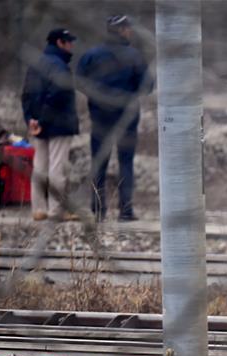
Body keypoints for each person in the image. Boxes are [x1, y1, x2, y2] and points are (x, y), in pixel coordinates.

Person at [77, 15, 150, 222]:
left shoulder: (91, 55)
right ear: (122, 30)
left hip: (100, 116)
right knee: (126, 162)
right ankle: (125, 211)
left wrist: (96, 95)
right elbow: (148, 86)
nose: (130, 32)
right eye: (128, 28)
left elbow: (78, 81)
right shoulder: (134, 56)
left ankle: (98, 210)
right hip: (127, 116)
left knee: (99, 162)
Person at [21, 28, 80, 222]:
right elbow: (58, 95)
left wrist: (31, 119)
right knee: (57, 167)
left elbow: (26, 95)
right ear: (59, 43)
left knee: (40, 166)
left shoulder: (34, 64)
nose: (71, 45)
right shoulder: (60, 66)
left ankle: (39, 209)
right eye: (68, 41)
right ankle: (57, 210)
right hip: (59, 124)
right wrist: (43, 120)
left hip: (38, 124)